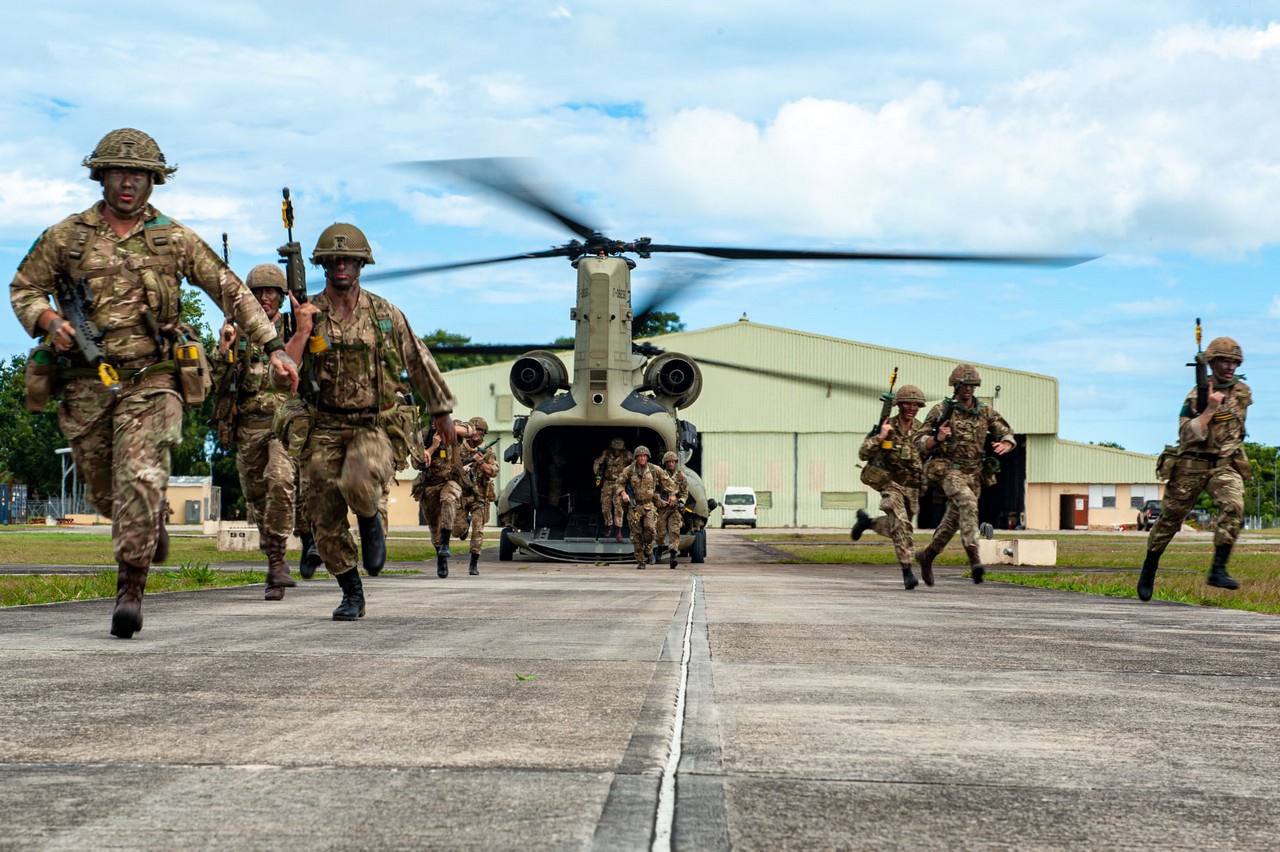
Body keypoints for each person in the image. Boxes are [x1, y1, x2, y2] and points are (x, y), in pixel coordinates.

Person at [9, 128, 298, 638]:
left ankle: (130, 591)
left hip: (154, 380)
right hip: (85, 384)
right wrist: (49, 322)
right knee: (106, 493)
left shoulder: (174, 238)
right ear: (100, 175)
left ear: (154, 181)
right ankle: (149, 527)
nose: (127, 183)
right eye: (118, 173)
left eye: (138, 175)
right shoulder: (66, 237)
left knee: (140, 476)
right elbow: (23, 287)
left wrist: (274, 347)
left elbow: (230, 291)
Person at [286, 223, 456, 620]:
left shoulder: (384, 313)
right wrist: (301, 330)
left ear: (362, 264)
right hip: (323, 424)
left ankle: (369, 520)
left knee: (359, 480)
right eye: (334, 260)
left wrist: (441, 409)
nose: (341, 265)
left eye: (349, 259)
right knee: (323, 517)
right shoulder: (306, 313)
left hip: (375, 423)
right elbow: (283, 370)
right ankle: (351, 592)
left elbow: (417, 359)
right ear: (323, 265)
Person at [211, 264, 300, 600]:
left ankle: (276, 566)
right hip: (249, 426)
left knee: (280, 480)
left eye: (272, 292)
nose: (265, 298)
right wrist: (224, 349)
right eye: (258, 292)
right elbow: (213, 382)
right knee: (258, 498)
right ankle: (275, 559)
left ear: (280, 296)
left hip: (286, 424)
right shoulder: (238, 333)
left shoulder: (294, 330)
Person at [1138, 337, 1250, 601]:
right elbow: (1186, 433)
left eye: (1234, 362)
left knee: (1234, 506)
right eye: (1225, 361)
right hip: (1191, 465)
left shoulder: (1243, 392)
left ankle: (1218, 569)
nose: (1230, 366)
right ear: (1211, 362)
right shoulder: (1196, 396)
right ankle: (1149, 566)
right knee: (1169, 521)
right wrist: (1209, 409)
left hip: (1222, 465)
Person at [914, 365, 1015, 584]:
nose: (968, 389)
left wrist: (1007, 443)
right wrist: (937, 438)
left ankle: (927, 556)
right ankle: (975, 559)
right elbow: (919, 442)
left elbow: (1005, 430)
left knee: (952, 522)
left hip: (974, 474)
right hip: (950, 471)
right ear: (955, 386)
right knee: (968, 504)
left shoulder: (984, 411)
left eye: (972, 385)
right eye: (964, 385)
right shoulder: (942, 410)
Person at [851, 384, 928, 589]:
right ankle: (907, 571)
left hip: (911, 487)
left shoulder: (922, 430)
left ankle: (867, 523)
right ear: (899, 406)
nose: (911, 408)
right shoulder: (886, 426)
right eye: (907, 404)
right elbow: (863, 453)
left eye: (915, 405)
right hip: (890, 483)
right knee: (902, 524)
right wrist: (881, 436)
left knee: (900, 526)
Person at [412, 421, 469, 578]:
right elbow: (417, 464)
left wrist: (451, 428)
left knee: (448, 501)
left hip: (450, 480)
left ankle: (445, 544)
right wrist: (432, 448)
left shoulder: (453, 427)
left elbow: (470, 430)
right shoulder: (423, 435)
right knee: (434, 525)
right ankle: (441, 559)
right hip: (429, 484)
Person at [616, 445, 677, 570]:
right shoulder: (629, 470)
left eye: (644, 456)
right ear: (636, 458)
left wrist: (672, 495)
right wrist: (623, 494)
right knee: (636, 534)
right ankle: (641, 560)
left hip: (649, 505)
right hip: (634, 506)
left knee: (650, 529)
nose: (642, 458)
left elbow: (669, 483)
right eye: (640, 456)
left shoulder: (654, 469)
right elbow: (619, 483)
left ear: (647, 457)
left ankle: (649, 549)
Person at [457, 416, 497, 575]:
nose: (476, 433)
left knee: (478, 530)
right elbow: (452, 468)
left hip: (480, 495)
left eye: (479, 430)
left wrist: (481, 462)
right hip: (462, 494)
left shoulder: (487, 451)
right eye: (473, 429)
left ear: (483, 432)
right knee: (457, 531)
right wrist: (464, 467)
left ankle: (473, 564)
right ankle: (464, 525)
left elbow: (493, 471)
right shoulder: (460, 449)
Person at [592, 437, 631, 542]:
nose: (617, 451)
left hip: (620, 484)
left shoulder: (627, 455)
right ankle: (609, 526)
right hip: (607, 482)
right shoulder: (606, 453)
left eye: (619, 450)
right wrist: (597, 473)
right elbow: (597, 462)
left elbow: (635, 464)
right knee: (605, 506)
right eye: (615, 449)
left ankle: (618, 530)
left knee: (619, 507)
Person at [656, 450, 689, 569]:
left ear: (675, 462)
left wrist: (681, 501)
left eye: (673, 462)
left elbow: (685, 492)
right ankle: (659, 548)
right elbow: (654, 491)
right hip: (662, 508)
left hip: (674, 509)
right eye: (668, 462)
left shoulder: (680, 476)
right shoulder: (660, 475)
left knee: (674, 532)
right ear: (665, 463)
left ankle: (673, 557)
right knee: (661, 533)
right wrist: (660, 500)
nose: (671, 464)